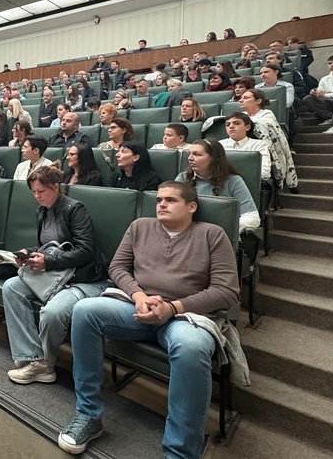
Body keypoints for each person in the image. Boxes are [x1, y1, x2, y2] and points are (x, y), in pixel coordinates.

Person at [59, 181, 241, 457]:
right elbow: (117, 267)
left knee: (191, 347)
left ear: (191, 206)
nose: (162, 204)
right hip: (137, 309)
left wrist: (172, 307)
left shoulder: (211, 234)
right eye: (159, 200)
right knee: (84, 311)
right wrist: (138, 295)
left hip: (185, 317)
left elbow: (227, 291)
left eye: (171, 200)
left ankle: (181, 451)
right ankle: (88, 415)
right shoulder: (140, 227)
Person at [3, 165, 108, 384]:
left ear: (56, 187)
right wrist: (29, 253)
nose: (37, 196)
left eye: (41, 191)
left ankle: (44, 366)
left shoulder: (74, 209)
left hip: (82, 278)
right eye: (34, 192)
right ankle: (30, 355)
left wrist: (48, 262)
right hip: (55, 274)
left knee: (52, 313)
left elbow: (86, 250)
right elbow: (49, 246)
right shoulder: (42, 211)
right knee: (11, 287)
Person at [177, 139, 260, 233]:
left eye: (197, 154)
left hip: (219, 235)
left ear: (213, 158)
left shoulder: (233, 181)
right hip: (187, 232)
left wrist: (221, 230)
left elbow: (252, 217)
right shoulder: (183, 178)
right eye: (190, 154)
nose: (190, 158)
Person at [239, 89, 298, 191]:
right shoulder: (242, 115)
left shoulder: (267, 114)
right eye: (241, 98)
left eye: (246, 98)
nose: (240, 100)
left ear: (258, 101)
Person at [301, 54, 333, 134]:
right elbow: (321, 92)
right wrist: (315, 92)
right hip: (329, 102)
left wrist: (326, 95)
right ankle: (331, 117)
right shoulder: (325, 79)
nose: (332, 65)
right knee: (308, 98)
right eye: (330, 63)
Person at [219, 112, 271, 180]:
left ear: (247, 127)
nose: (231, 126)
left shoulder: (259, 145)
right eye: (227, 124)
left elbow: (265, 173)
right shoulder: (219, 145)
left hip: (250, 183)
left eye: (237, 123)